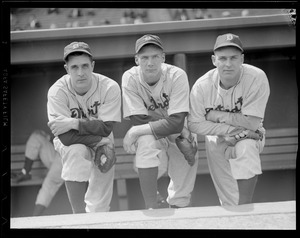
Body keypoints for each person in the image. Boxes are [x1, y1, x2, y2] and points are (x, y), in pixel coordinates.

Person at [188, 33, 270, 206]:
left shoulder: (256, 77)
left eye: (233, 58)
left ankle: (246, 207)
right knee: (227, 196)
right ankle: (234, 215)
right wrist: (228, 130)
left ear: (242, 59)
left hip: (249, 134)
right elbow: (194, 124)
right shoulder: (202, 85)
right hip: (218, 136)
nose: (228, 64)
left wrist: (216, 116)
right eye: (222, 58)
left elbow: (253, 123)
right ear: (213, 60)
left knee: (246, 147)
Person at [122, 34, 199, 209]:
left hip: (178, 130)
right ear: (136, 59)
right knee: (145, 141)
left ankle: (180, 205)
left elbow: (178, 121)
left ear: (163, 58)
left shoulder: (177, 75)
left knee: (186, 141)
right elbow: (138, 119)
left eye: (155, 56)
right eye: (144, 57)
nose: (150, 62)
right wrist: (173, 126)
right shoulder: (130, 78)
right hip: (154, 131)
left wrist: (134, 131)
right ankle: (152, 205)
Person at [47, 42, 121, 213]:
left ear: (92, 66)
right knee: (76, 151)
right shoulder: (57, 91)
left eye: (85, 66)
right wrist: (99, 141)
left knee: (105, 156)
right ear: (66, 69)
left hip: (101, 135)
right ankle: (78, 216)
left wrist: (73, 123)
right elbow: (65, 138)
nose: (80, 73)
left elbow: (106, 128)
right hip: (73, 141)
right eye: (74, 67)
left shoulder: (109, 86)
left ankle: (98, 215)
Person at [11, 130, 64, 216]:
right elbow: (50, 135)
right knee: (36, 137)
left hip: (70, 160)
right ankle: (25, 172)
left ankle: (34, 219)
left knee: (49, 183)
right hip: (57, 155)